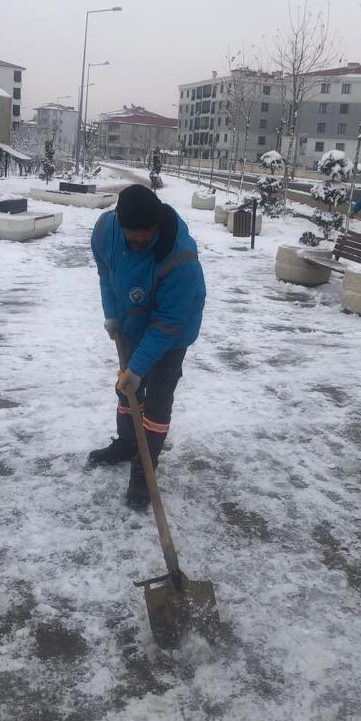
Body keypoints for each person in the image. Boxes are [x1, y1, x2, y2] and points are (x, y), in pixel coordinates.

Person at [89, 184, 206, 509]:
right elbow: (105, 273)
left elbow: (168, 322)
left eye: (147, 235)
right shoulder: (104, 230)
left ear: (157, 225)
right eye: (132, 235)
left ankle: (145, 468)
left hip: (173, 329)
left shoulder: (180, 257)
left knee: (156, 401)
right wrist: (112, 316)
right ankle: (128, 443)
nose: (139, 241)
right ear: (119, 223)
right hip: (130, 319)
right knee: (127, 391)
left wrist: (139, 368)